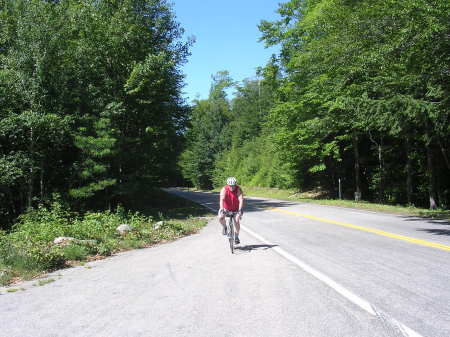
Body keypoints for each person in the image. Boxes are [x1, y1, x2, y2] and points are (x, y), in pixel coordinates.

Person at [218, 177, 244, 244]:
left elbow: (241, 200)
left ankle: (236, 237)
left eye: (233, 185)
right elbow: (221, 200)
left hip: (236, 209)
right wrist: (221, 209)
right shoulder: (224, 189)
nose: (232, 187)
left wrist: (240, 210)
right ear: (228, 185)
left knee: (237, 220)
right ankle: (225, 227)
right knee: (220, 217)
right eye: (230, 186)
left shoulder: (238, 189)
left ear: (235, 184)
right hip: (226, 208)